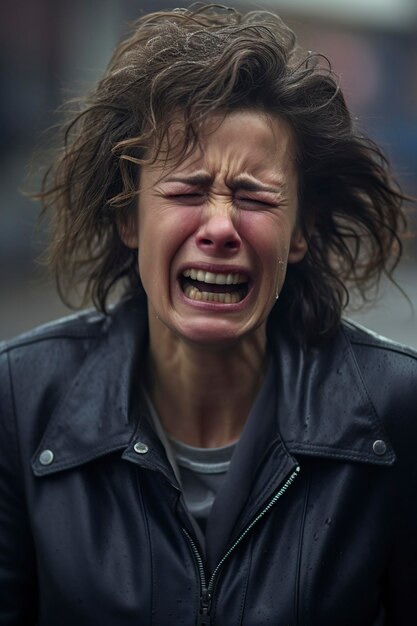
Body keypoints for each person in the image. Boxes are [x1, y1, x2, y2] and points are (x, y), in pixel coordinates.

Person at [0, 4, 416, 625]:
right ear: (126, 217)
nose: (220, 227)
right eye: (187, 191)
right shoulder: (21, 399)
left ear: (299, 230)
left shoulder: (394, 408)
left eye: (254, 197)